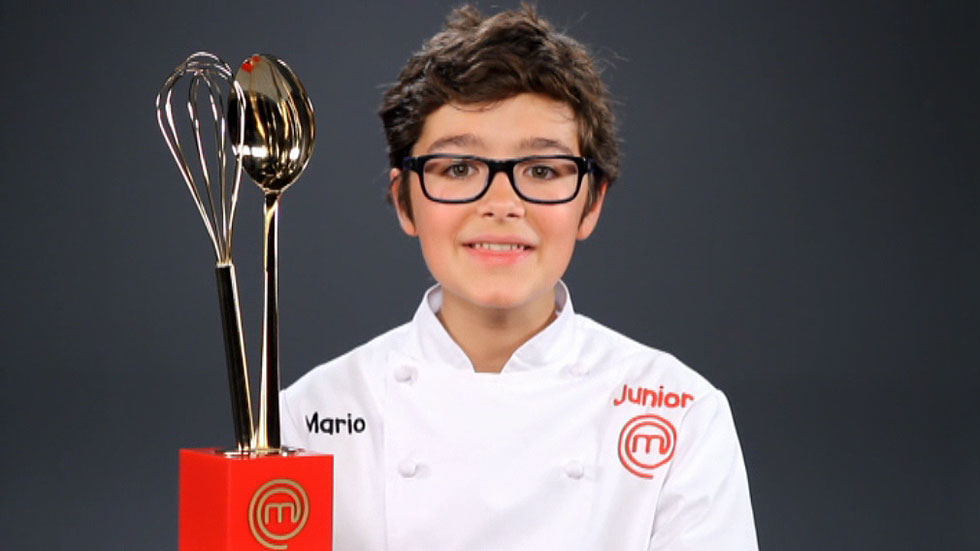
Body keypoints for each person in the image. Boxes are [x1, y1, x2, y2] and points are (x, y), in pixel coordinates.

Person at [281, 4, 758, 549]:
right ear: (404, 201)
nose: (502, 203)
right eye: (460, 168)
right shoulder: (306, 416)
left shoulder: (682, 412)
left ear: (591, 203)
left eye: (542, 170)